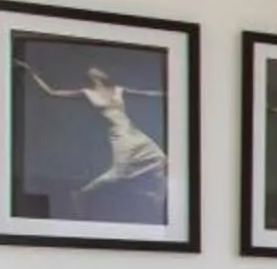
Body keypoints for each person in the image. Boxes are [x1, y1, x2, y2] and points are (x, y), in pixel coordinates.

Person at [19, 59, 168, 204]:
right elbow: (51, 92)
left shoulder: (117, 89)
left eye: (99, 70)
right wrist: (30, 71)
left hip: (133, 131)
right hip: (119, 134)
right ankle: (82, 193)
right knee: (119, 172)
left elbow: (144, 93)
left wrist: (166, 94)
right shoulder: (87, 93)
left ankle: (158, 197)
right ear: (91, 76)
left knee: (161, 159)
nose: (99, 71)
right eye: (95, 70)